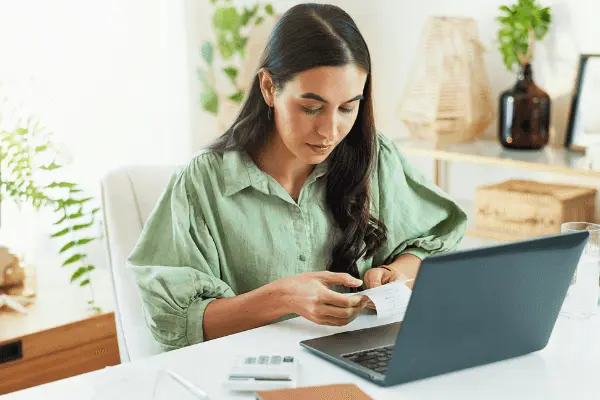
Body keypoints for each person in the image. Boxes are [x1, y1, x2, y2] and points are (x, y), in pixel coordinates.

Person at [127, 3, 467, 351]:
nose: (330, 131)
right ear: (269, 88)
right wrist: (283, 298)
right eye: (311, 107)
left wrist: (398, 273)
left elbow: (434, 241)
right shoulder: (201, 183)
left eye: (348, 107)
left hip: (360, 363)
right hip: (250, 373)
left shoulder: (375, 158)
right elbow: (173, 322)